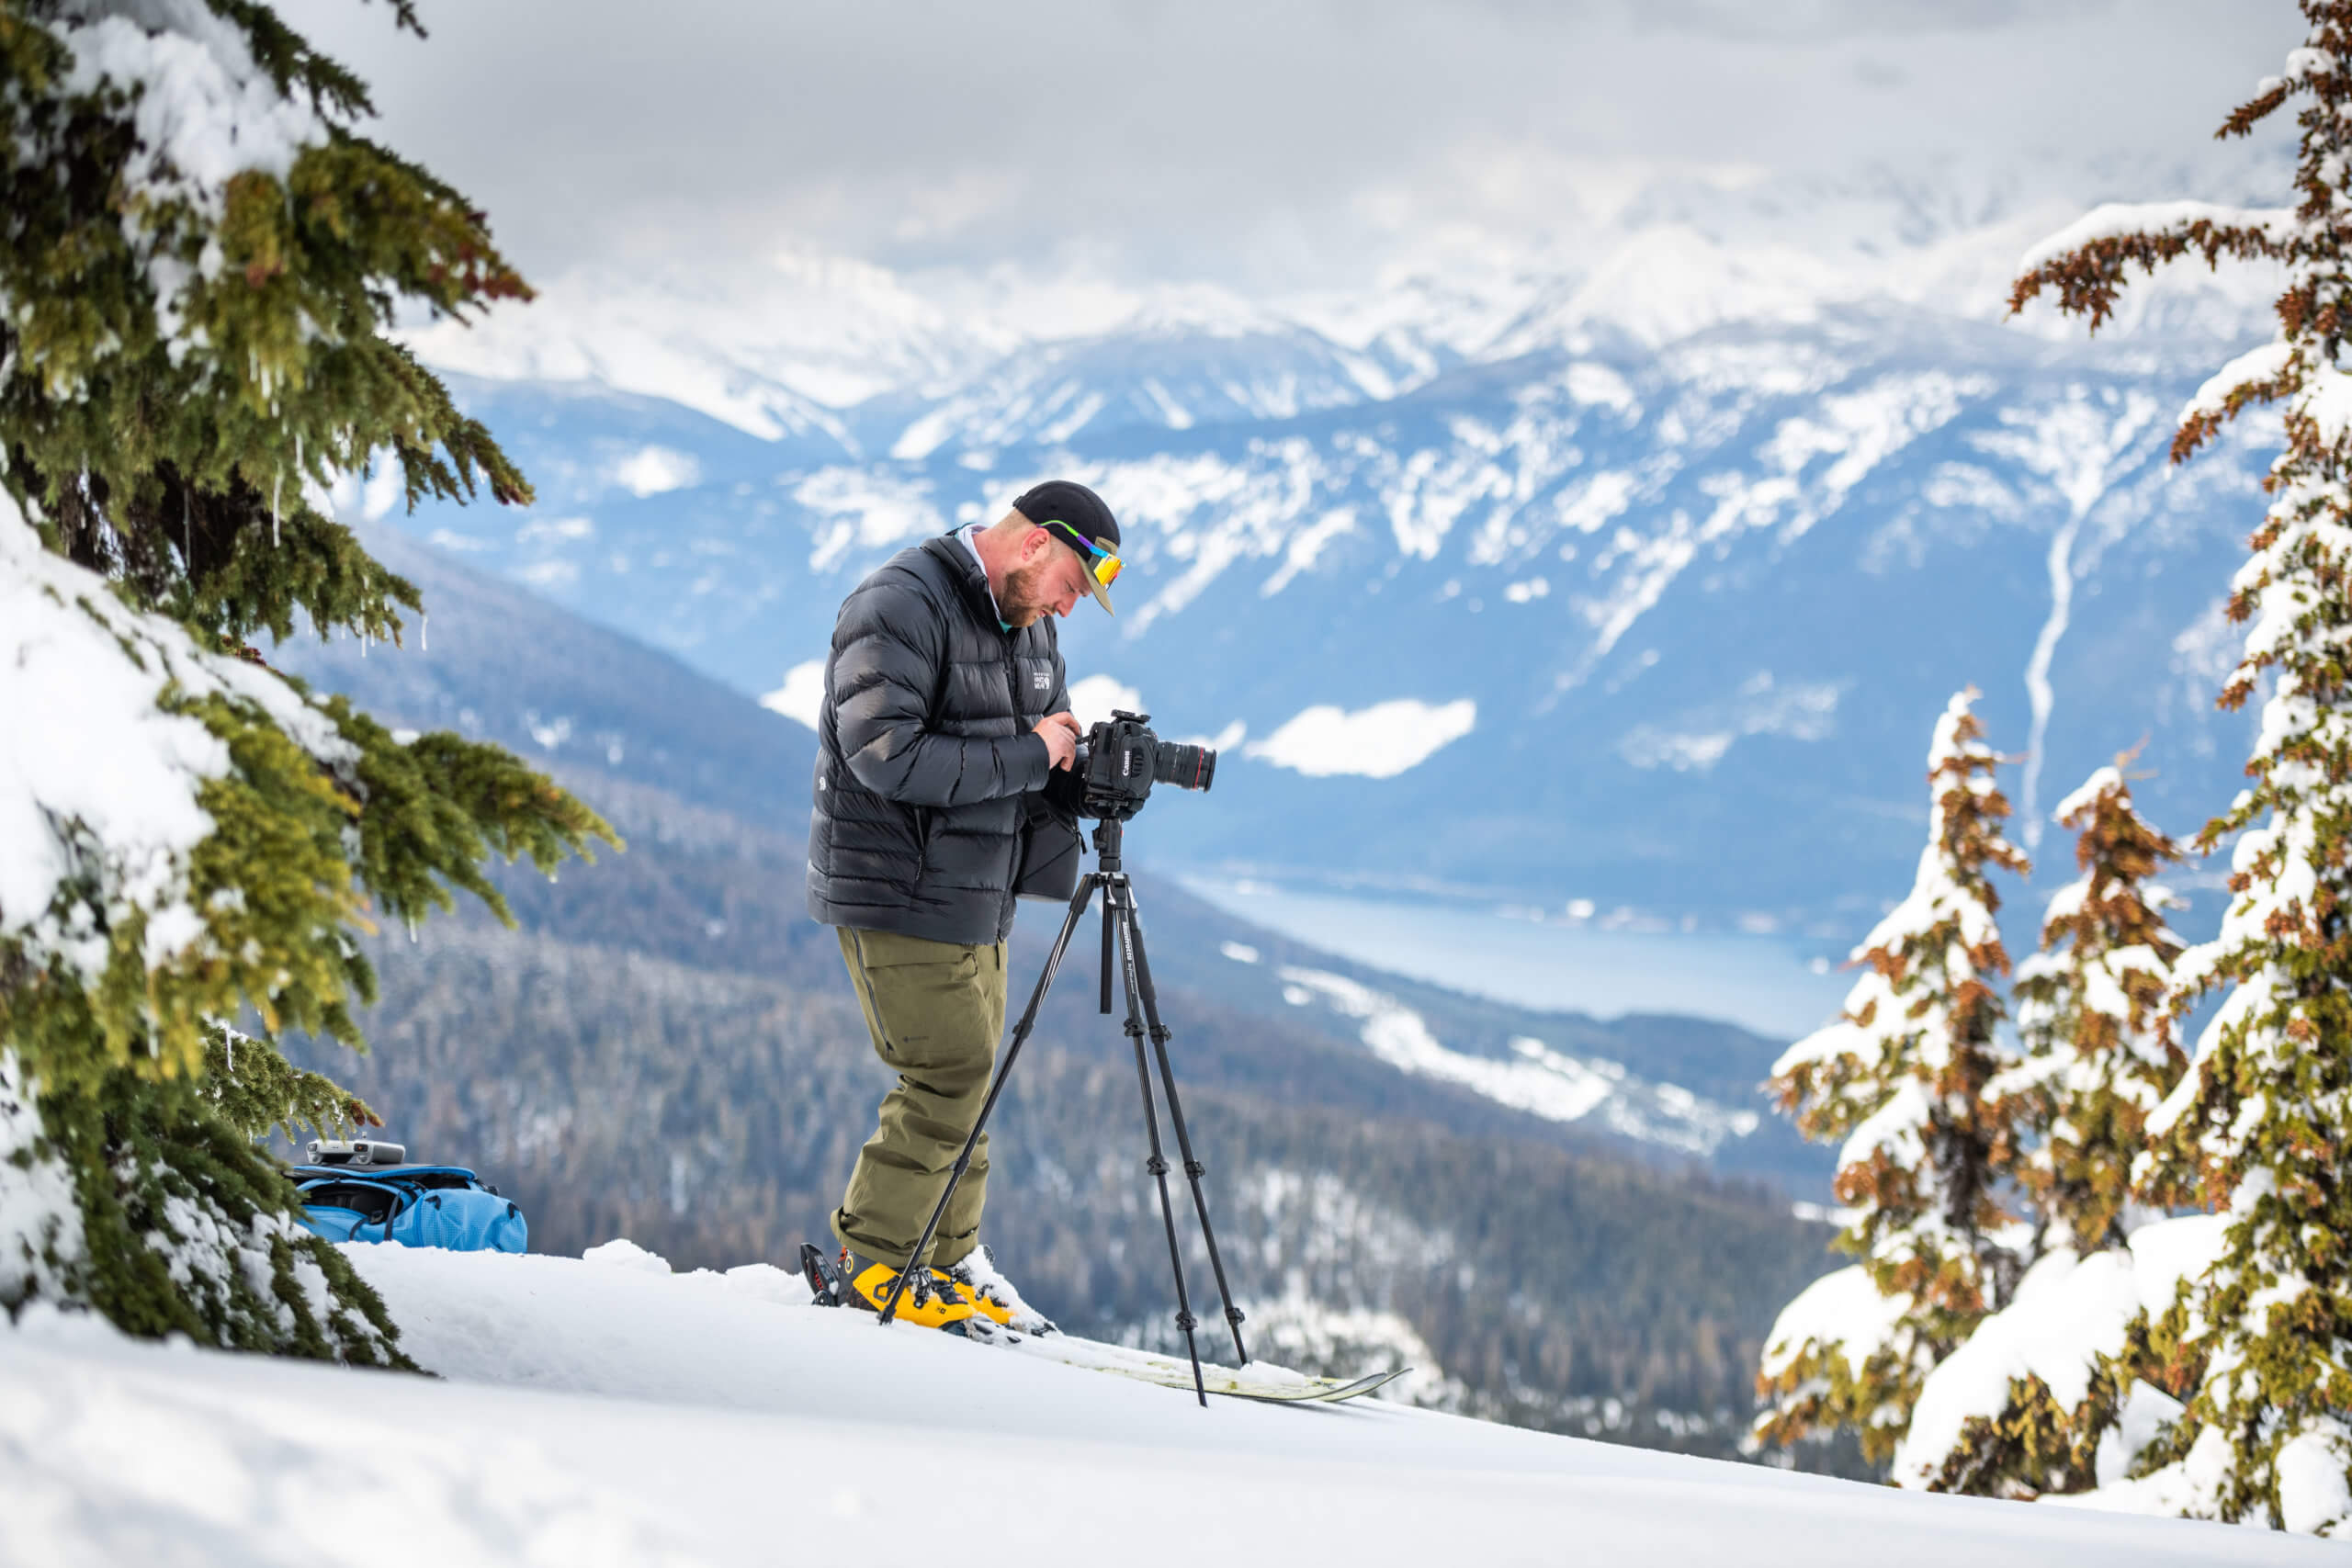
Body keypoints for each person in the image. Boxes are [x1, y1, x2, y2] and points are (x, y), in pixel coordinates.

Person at [804, 479, 1124, 1332]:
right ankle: (874, 1262)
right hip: (899, 887)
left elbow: (1028, 751)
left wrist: (1078, 768)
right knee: (946, 1072)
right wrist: (1030, 751)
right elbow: (886, 755)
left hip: (980, 891)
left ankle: (943, 1257)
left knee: (973, 1078)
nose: (1068, 606)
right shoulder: (899, 603)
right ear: (1033, 545)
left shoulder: (1031, 624)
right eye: (1070, 584)